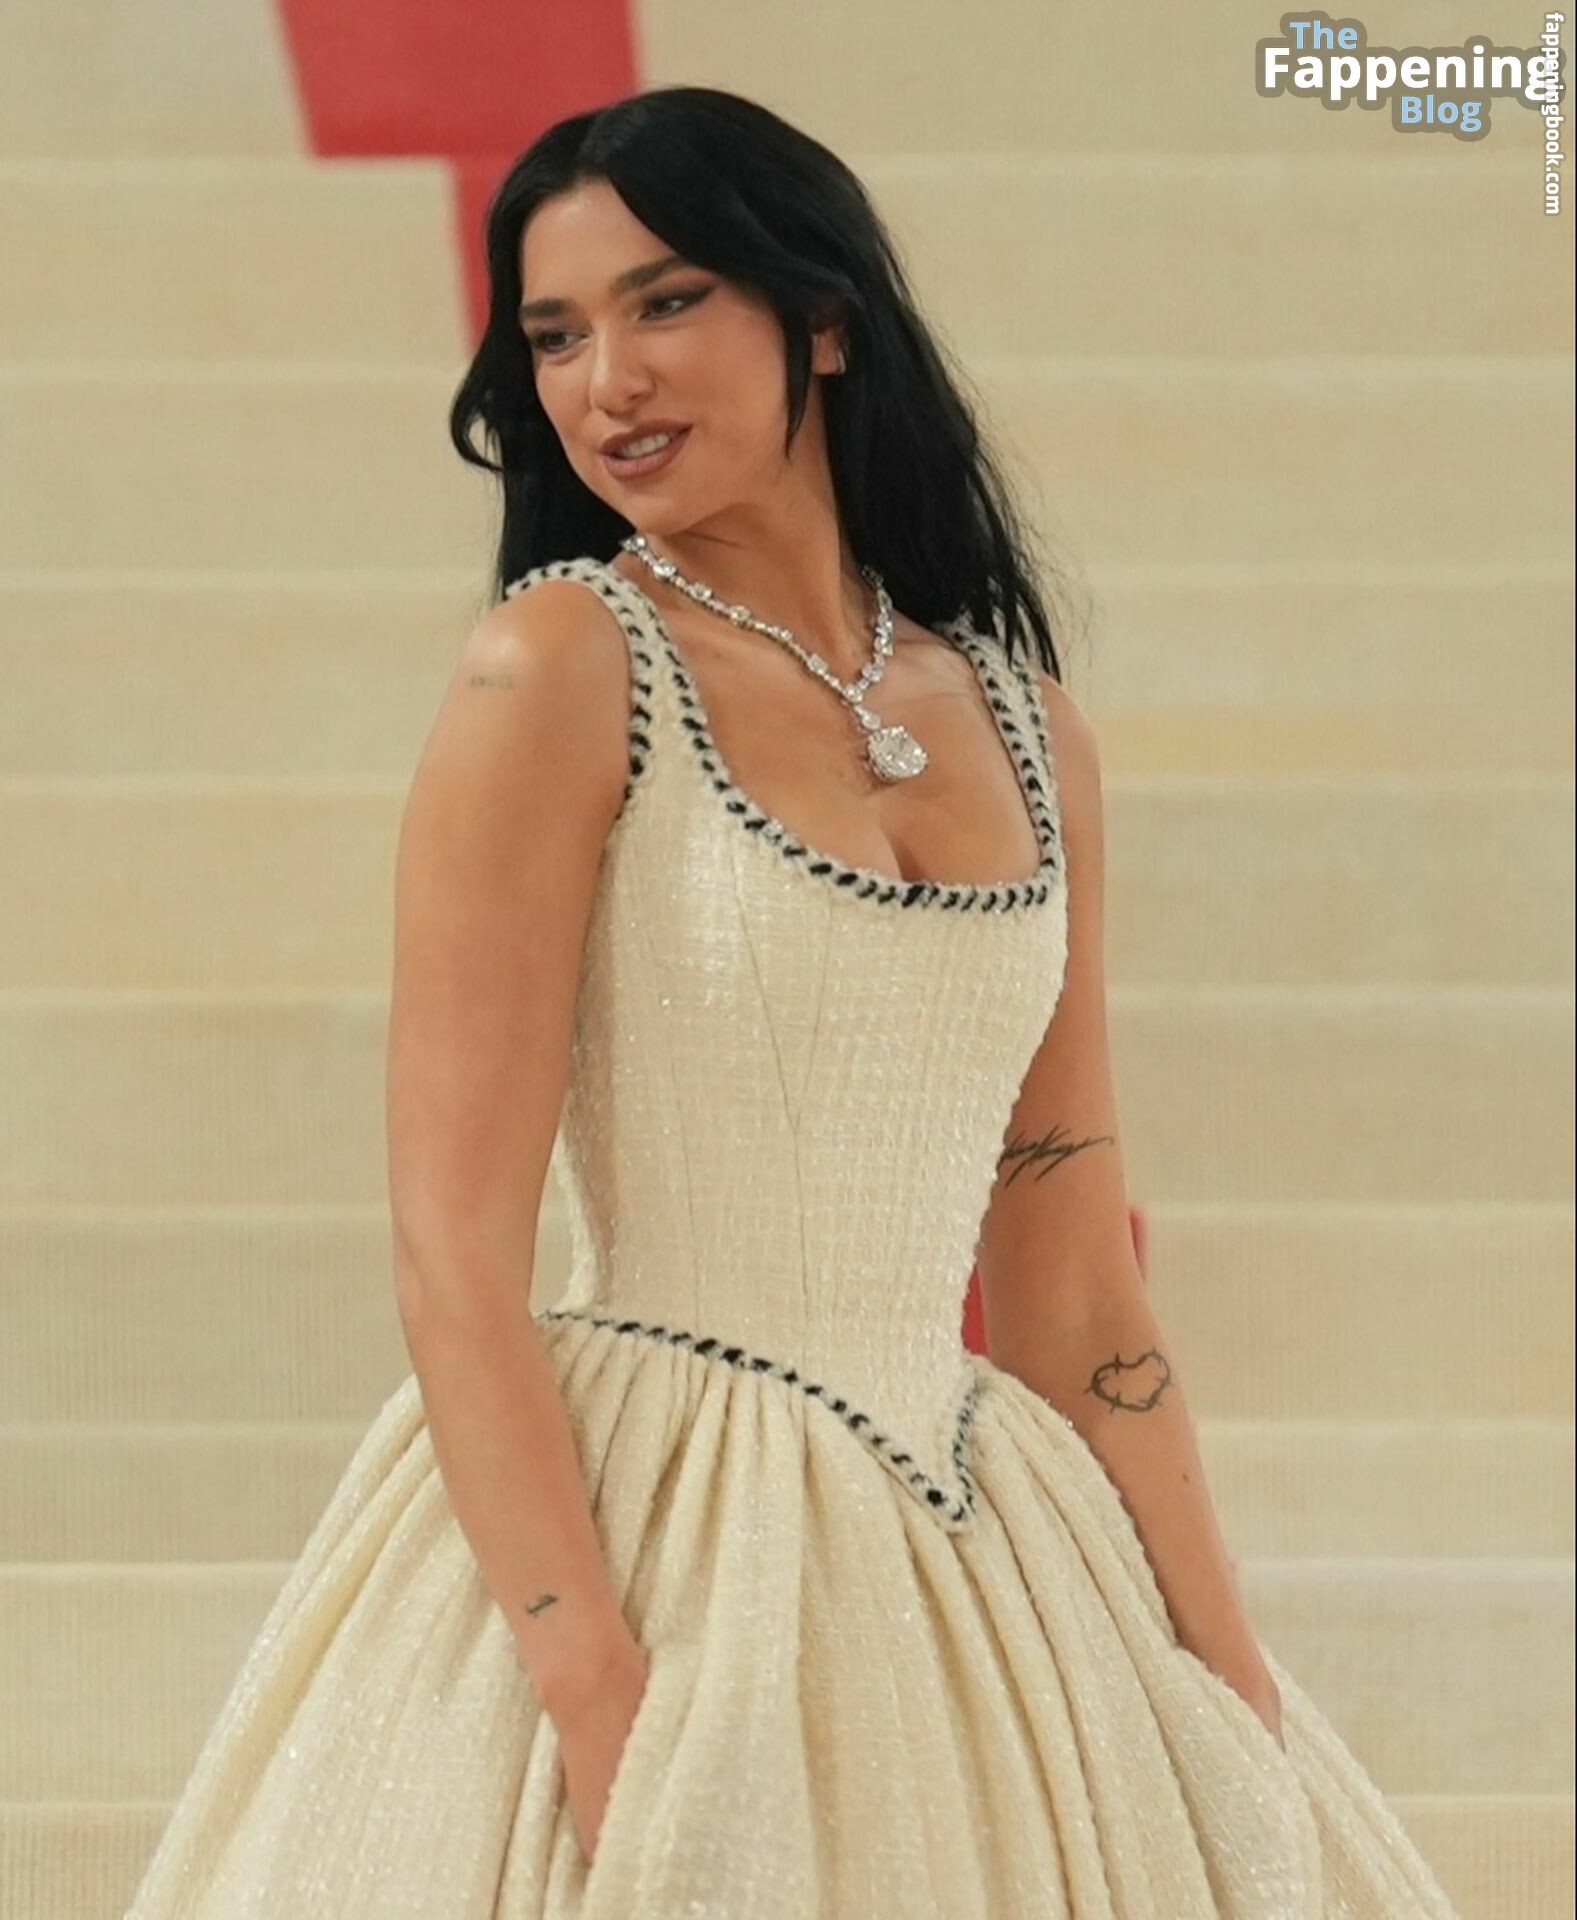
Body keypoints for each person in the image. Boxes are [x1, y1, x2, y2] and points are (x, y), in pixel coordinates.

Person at [126, 85, 1463, 1919]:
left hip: (981, 1534)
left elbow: (1072, 1278)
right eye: (554, 336)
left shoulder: (1028, 727)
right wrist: (592, 1688)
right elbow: (453, 1253)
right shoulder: (555, 667)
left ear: (821, 320)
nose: (607, 381)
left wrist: (1228, 1677)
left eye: (666, 302)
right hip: (651, 1521)